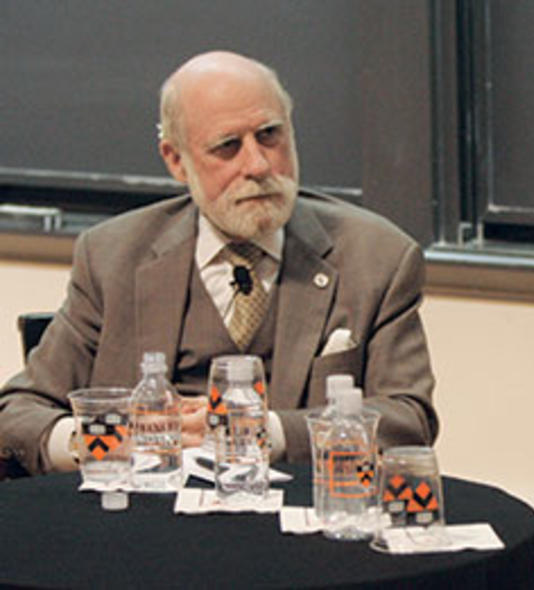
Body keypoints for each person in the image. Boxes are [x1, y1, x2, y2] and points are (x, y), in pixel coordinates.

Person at [0, 50, 437, 476]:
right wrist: (107, 441)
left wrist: (264, 432)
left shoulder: (376, 257)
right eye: (228, 147)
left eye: (269, 135)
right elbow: (17, 412)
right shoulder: (113, 256)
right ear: (176, 160)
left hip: (297, 519)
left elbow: (407, 419)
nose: (259, 164)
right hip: (142, 519)